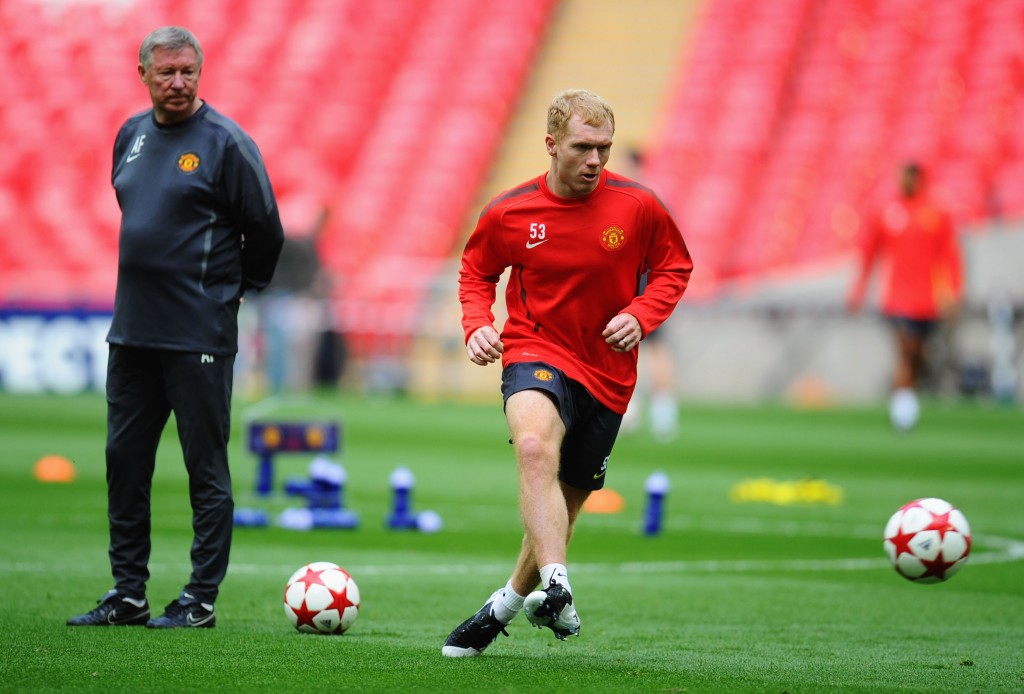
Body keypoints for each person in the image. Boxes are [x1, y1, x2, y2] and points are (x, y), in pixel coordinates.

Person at [442, 89, 693, 657]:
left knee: (565, 504)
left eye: (603, 148)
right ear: (552, 145)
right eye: (583, 147)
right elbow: (477, 272)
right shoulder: (509, 212)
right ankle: (559, 585)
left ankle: (503, 605)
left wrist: (641, 313)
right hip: (537, 347)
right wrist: (477, 321)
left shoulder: (638, 206)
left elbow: (675, 267)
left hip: (608, 372)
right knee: (533, 447)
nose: (595, 160)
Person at [67, 26, 284, 629]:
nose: (179, 82)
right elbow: (138, 213)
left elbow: (266, 229)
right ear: (144, 75)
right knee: (124, 460)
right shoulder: (131, 136)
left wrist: (231, 291)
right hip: (132, 329)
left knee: (204, 466)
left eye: (188, 70)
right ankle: (128, 593)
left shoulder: (226, 143)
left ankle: (200, 599)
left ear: (200, 70)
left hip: (198, 334)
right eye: (166, 72)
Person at [847, 162, 963, 431]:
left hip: (928, 300)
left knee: (918, 355)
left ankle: (907, 401)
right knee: (906, 350)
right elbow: (870, 253)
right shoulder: (887, 212)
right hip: (897, 299)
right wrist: (859, 290)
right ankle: (902, 413)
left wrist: (953, 292)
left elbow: (950, 255)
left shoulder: (935, 213)